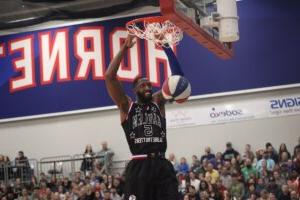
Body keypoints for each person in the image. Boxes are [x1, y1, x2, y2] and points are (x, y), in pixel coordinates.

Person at [105, 34, 184, 200]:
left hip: (162, 164)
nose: (147, 87)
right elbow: (109, 77)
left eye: (149, 84)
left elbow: (178, 79)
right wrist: (124, 48)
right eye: (143, 85)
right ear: (135, 90)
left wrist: (166, 46)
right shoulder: (127, 106)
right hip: (139, 166)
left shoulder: (158, 102)